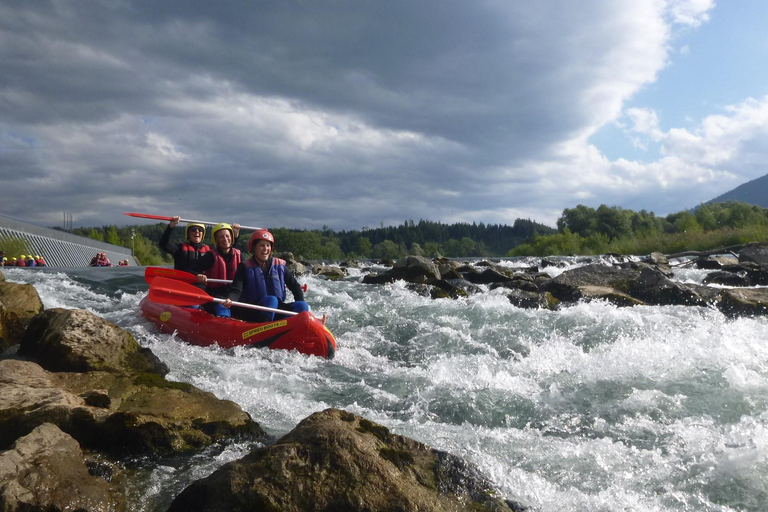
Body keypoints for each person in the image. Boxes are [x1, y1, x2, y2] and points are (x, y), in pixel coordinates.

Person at [223, 229, 309, 323]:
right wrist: (230, 299)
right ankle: (264, 329)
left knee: (302, 306)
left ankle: (291, 327)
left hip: (275, 309)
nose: (265, 249)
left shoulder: (279, 266)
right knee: (271, 300)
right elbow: (236, 289)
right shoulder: (244, 267)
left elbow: (295, 286)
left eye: (268, 245)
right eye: (262, 245)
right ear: (254, 248)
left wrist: (302, 314)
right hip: (253, 310)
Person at [189, 223, 242, 317]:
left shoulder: (239, 255)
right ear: (216, 240)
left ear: (232, 237)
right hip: (215, 295)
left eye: (227, 236)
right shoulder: (210, 256)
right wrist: (197, 275)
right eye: (221, 237)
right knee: (222, 307)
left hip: (234, 295)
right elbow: (191, 270)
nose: (225, 239)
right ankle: (224, 322)